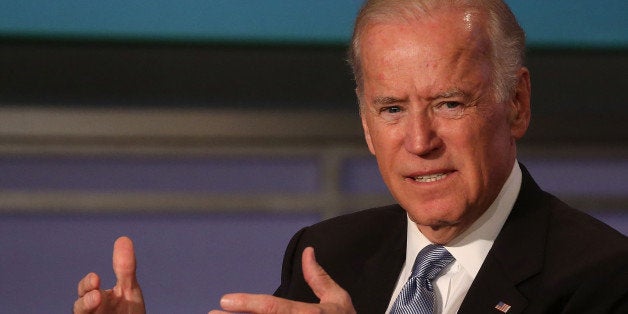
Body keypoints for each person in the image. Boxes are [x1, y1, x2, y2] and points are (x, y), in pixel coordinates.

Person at [73, 1, 628, 313]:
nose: (419, 140)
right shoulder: (325, 255)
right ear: (365, 125)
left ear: (517, 105)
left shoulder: (603, 278)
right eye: (391, 110)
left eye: (449, 103)